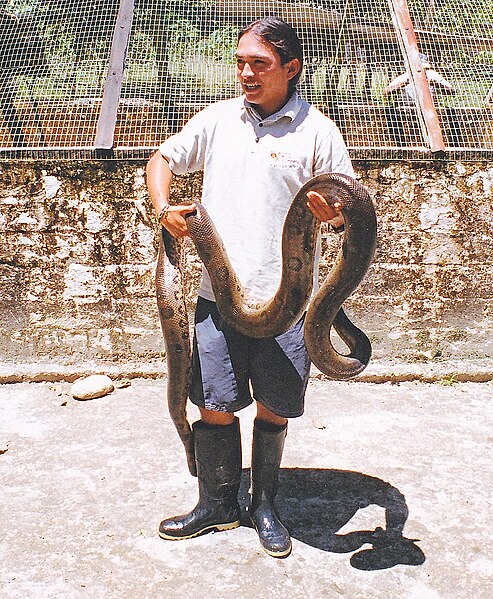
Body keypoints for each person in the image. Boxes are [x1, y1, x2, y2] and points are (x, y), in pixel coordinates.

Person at [146, 16, 354, 559]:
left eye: (259, 63)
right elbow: (162, 157)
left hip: (286, 302)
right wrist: (165, 207)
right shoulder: (217, 120)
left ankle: (264, 505)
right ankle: (217, 503)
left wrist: (330, 214)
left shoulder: (317, 131)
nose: (245, 73)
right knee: (214, 402)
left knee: (274, 407)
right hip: (218, 297)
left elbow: (343, 207)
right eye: (239, 62)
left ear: (291, 68)